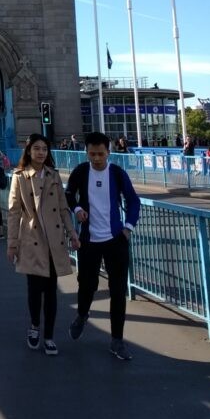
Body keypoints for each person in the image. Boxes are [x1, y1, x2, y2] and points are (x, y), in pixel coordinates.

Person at [65, 131, 141, 361]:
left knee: (118, 291)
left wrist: (128, 228)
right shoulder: (81, 171)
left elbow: (133, 200)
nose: (96, 158)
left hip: (115, 240)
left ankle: (117, 340)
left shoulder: (117, 173)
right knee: (87, 285)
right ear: (86, 152)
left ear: (108, 152)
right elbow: (68, 194)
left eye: (100, 154)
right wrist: (77, 208)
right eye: (92, 154)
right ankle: (82, 314)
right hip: (89, 240)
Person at [7, 135, 80, 355]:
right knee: (34, 289)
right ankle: (34, 326)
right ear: (29, 151)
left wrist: (72, 233)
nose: (41, 152)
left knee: (51, 291)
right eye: (37, 148)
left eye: (45, 149)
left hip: (54, 242)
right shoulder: (19, 176)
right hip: (32, 239)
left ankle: (48, 336)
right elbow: (13, 212)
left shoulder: (53, 175)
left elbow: (63, 208)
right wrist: (12, 244)